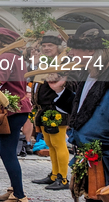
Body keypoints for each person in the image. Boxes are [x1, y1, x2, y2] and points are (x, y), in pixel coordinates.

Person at [57, 23, 109, 198]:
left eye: (75, 49)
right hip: (90, 160)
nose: (70, 53)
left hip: (107, 162)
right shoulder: (88, 74)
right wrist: (59, 91)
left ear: (90, 51)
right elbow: (83, 112)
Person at [0, 28, 31, 202]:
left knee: (7, 152)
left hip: (13, 109)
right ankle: (14, 189)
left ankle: (19, 195)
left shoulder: (6, 57)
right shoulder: (16, 57)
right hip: (16, 108)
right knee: (1, 147)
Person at [30, 35, 76, 190]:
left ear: (58, 47)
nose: (46, 48)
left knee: (58, 143)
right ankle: (54, 175)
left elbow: (72, 84)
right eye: (44, 45)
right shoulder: (44, 62)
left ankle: (63, 179)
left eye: (50, 45)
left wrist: (59, 84)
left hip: (57, 107)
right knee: (50, 143)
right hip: (44, 108)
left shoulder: (65, 62)